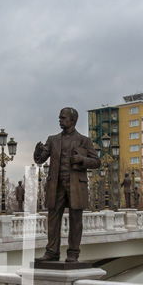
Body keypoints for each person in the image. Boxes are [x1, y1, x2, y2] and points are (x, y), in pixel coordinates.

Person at [34, 107, 101, 263]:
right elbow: (40, 159)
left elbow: (97, 162)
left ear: (73, 120)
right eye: (59, 118)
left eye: (63, 118)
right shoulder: (52, 140)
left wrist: (81, 160)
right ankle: (51, 252)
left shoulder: (85, 141)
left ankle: (73, 253)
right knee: (52, 219)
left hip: (76, 186)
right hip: (56, 186)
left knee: (75, 221)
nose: (60, 120)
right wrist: (37, 152)